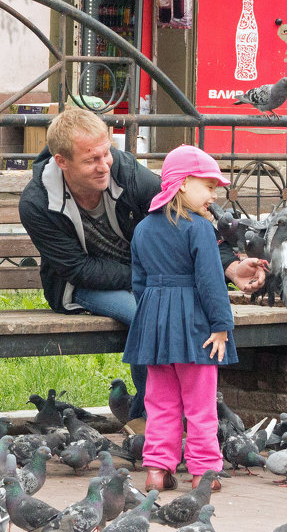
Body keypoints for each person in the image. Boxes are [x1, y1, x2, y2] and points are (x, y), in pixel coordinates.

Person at [18, 107, 264, 422]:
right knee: (147, 313)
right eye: (91, 159)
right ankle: (152, 418)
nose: (103, 165)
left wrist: (228, 266)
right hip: (80, 286)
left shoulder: (125, 171)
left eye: (106, 153)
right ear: (61, 161)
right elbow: (79, 270)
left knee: (166, 306)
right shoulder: (37, 203)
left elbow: (182, 213)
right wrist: (154, 280)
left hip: (146, 277)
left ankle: (167, 414)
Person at [122, 145, 237, 493]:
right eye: (209, 186)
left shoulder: (143, 229)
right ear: (184, 184)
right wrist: (221, 325)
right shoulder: (199, 228)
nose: (214, 195)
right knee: (200, 405)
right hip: (196, 328)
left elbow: (138, 283)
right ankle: (203, 472)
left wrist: (153, 317)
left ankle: (157, 469)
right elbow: (210, 281)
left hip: (155, 328)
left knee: (160, 404)